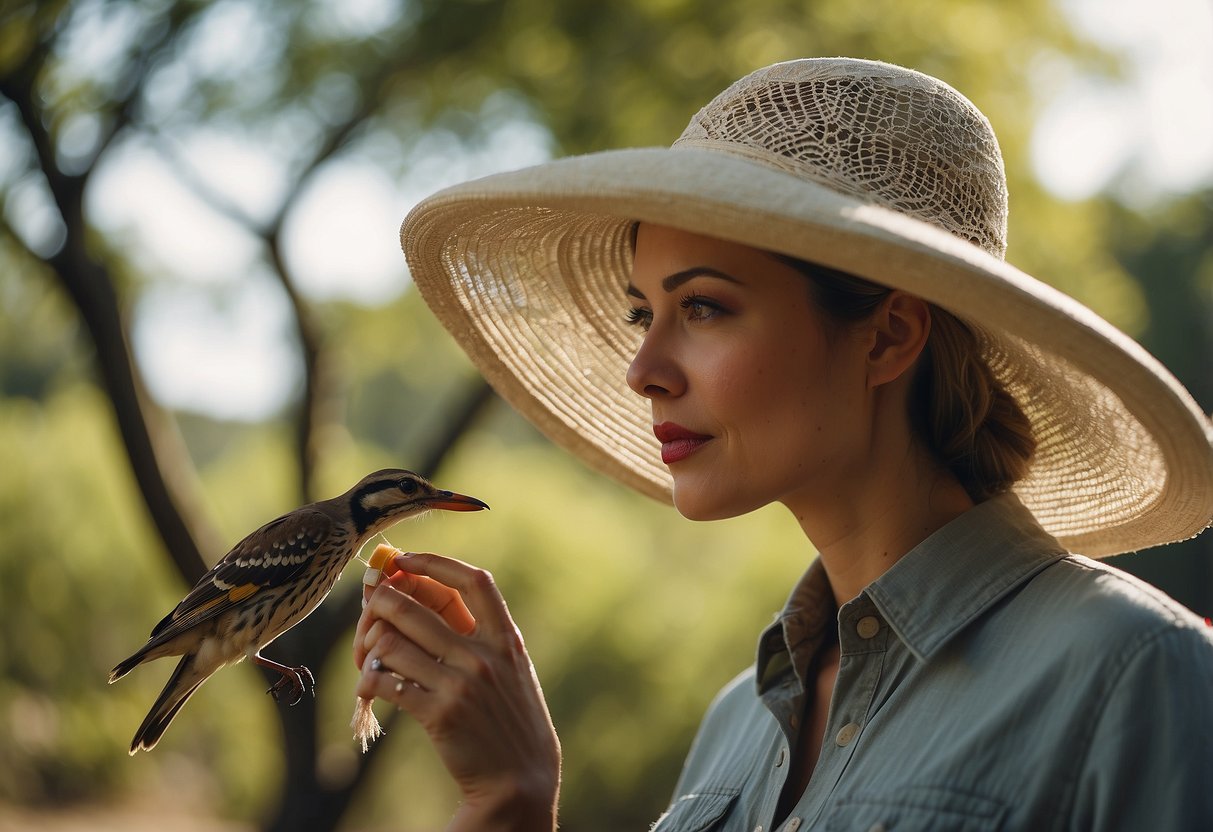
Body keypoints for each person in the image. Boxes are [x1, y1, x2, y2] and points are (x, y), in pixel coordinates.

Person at [353, 58, 1213, 830]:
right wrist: (509, 800)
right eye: (640, 313)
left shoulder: (1134, 674)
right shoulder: (737, 726)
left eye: (702, 307)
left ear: (887, 337)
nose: (642, 370)